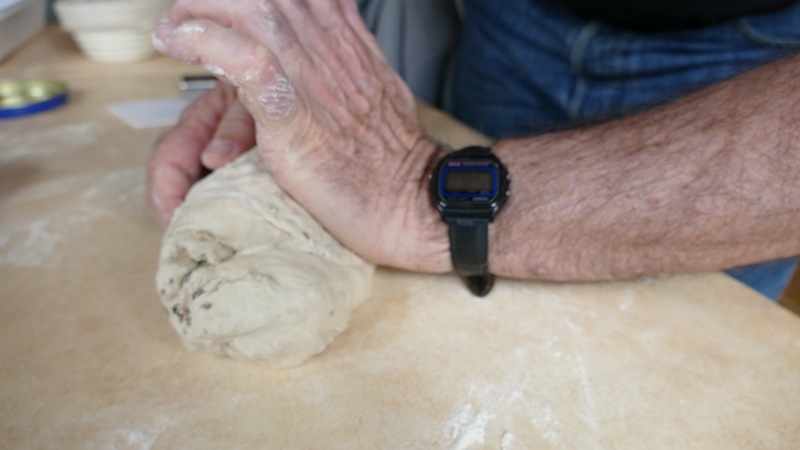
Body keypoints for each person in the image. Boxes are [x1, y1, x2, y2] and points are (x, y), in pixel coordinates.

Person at [147, 0, 800, 299]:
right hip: (512, 20)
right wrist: (290, 50)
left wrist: (416, 196)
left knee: (675, 373)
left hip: (756, 58)